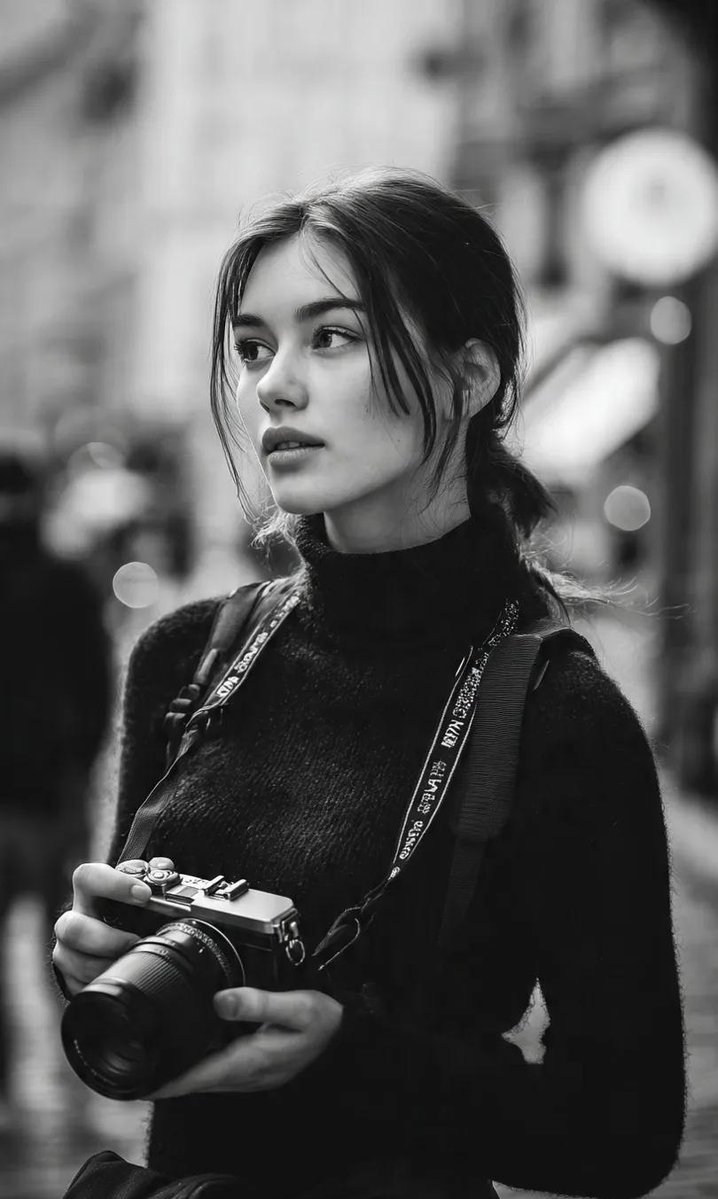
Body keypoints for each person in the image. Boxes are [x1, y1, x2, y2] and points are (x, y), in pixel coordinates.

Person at [53, 170, 685, 1199]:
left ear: (467, 373)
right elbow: (154, 1005)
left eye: (331, 337)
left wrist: (345, 1056)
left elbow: (622, 1131)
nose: (274, 385)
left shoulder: (560, 717)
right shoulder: (188, 659)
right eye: (255, 346)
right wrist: (99, 965)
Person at [0, 448, 112, 1117]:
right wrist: (81, 757)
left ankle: (25, 1076)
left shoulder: (66, 577)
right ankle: (77, 1062)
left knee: (59, 939)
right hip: (49, 789)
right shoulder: (65, 577)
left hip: (37, 791)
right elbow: (96, 681)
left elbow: (95, 683)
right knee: (61, 943)